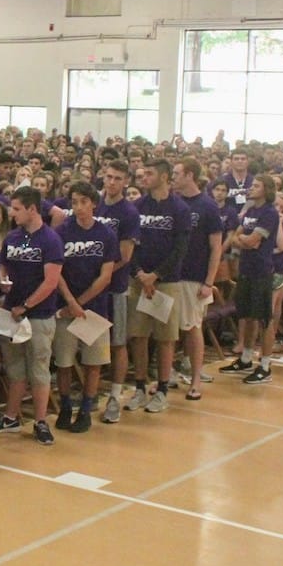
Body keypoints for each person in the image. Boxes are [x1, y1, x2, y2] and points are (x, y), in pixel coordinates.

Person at [0, 186, 63, 444]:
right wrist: (2, 280)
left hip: (39, 315)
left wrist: (27, 304)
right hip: (11, 313)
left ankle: (41, 421)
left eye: (18, 209)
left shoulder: (50, 240)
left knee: (39, 369)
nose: (13, 213)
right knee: (15, 368)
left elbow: (51, 281)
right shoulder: (12, 237)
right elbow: (2, 265)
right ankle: (11, 416)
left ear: (32, 209)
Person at [52, 182, 118, 433]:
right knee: (64, 362)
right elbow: (56, 272)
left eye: (83, 202)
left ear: (93, 203)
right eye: (74, 202)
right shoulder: (62, 232)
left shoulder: (106, 234)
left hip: (95, 308)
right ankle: (66, 405)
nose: (78, 207)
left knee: (93, 362)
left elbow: (106, 276)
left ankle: (87, 407)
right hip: (65, 306)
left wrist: (81, 303)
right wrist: (70, 301)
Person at [124, 159, 189, 414]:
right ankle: (140, 386)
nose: (144, 177)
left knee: (165, 338)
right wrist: (140, 273)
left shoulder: (179, 209)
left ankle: (161, 389)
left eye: (150, 173)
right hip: (139, 280)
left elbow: (180, 248)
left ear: (163, 177)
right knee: (138, 336)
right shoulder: (137, 207)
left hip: (167, 282)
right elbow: (131, 244)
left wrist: (156, 275)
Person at [220, 177, 281, 384]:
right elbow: (239, 237)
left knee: (264, 319)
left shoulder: (270, 213)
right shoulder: (250, 211)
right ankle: (246, 358)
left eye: (256, 186)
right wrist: (243, 240)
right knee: (246, 316)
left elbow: (253, 242)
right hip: (245, 269)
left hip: (261, 271)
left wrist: (244, 240)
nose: (251, 188)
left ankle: (265, 365)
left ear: (266, 190)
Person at [172, 158, 223, 400]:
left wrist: (209, 281)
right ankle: (168, 375)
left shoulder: (207, 206)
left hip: (194, 276)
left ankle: (195, 379)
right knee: (167, 328)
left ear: (189, 175)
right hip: (171, 275)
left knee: (192, 328)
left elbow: (216, 247)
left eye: (177, 173)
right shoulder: (173, 202)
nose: (173, 177)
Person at [94, 159, 140, 423]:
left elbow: (125, 255)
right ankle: (90, 394)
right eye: (108, 177)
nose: (111, 182)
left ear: (125, 182)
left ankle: (114, 396)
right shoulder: (94, 203)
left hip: (115, 286)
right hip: (89, 288)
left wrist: (101, 273)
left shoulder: (128, 212)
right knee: (92, 342)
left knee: (118, 342)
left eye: (117, 178)